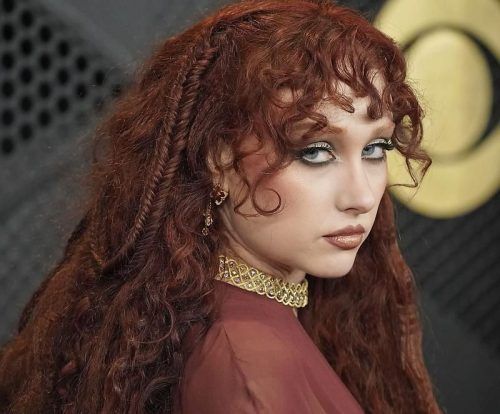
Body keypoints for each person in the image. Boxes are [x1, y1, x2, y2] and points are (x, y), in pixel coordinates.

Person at [0, 0, 443, 412]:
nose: (361, 197)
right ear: (220, 161)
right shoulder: (250, 375)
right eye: (315, 152)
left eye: (375, 148)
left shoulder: (228, 319)